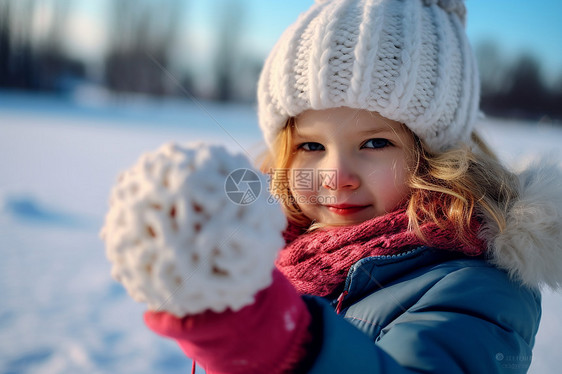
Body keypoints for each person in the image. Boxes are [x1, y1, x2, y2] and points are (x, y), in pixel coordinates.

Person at [143, 0, 562, 372]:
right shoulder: (280, 250)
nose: (335, 175)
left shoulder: (476, 287)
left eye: (375, 143)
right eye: (311, 145)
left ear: (438, 159)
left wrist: (279, 344)